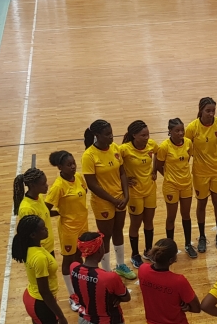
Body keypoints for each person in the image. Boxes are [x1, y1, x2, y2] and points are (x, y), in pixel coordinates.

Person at [82, 119, 136, 281]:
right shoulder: (89, 156)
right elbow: (92, 184)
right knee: (105, 235)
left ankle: (120, 265)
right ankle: (105, 271)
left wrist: (126, 195)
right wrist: (112, 199)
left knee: (118, 231)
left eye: (112, 133)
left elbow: (122, 173)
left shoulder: (115, 148)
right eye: (107, 134)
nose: (111, 137)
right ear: (97, 136)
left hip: (120, 198)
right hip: (103, 202)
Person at [45, 151, 89, 312]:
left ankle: (81, 288)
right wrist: (60, 213)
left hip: (83, 226)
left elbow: (84, 192)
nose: (73, 166)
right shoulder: (58, 186)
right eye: (69, 165)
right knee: (69, 260)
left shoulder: (78, 178)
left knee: (80, 257)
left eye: (73, 163)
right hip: (68, 229)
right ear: (60, 167)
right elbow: (45, 209)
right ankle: (72, 295)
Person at [186, 97, 217, 253]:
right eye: (208, 111)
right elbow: (187, 147)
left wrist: (214, 155)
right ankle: (202, 236)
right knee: (201, 204)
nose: (211, 114)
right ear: (201, 110)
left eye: (213, 111)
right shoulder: (192, 128)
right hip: (200, 172)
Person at [154, 118, 197, 258]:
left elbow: (187, 159)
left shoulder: (188, 143)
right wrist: (168, 176)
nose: (180, 133)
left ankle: (188, 244)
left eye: (182, 130)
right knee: (171, 217)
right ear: (170, 131)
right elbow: (158, 164)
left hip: (186, 184)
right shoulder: (164, 147)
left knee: (186, 215)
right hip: (170, 186)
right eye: (177, 131)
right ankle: (170, 248)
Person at [120, 120, 158, 268]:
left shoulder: (151, 145)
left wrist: (154, 170)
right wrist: (122, 179)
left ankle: (148, 251)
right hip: (134, 192)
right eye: (143, 135)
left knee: (149, 222)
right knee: (135, 224)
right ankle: (134, 254)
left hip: (150, 189)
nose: (147, 137)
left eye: (148, 134)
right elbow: (115, 164)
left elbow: (158, 155)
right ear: (134, 135)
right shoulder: (124, 149)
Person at [13, 167, 55, 257]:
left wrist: (61, 212)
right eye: (43, 184)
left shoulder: (38, 198)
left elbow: (44, 214)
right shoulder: (27, 209)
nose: (47, 185)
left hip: (48, 247)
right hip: (41, 251)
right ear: (32, 185)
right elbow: (29, 235)